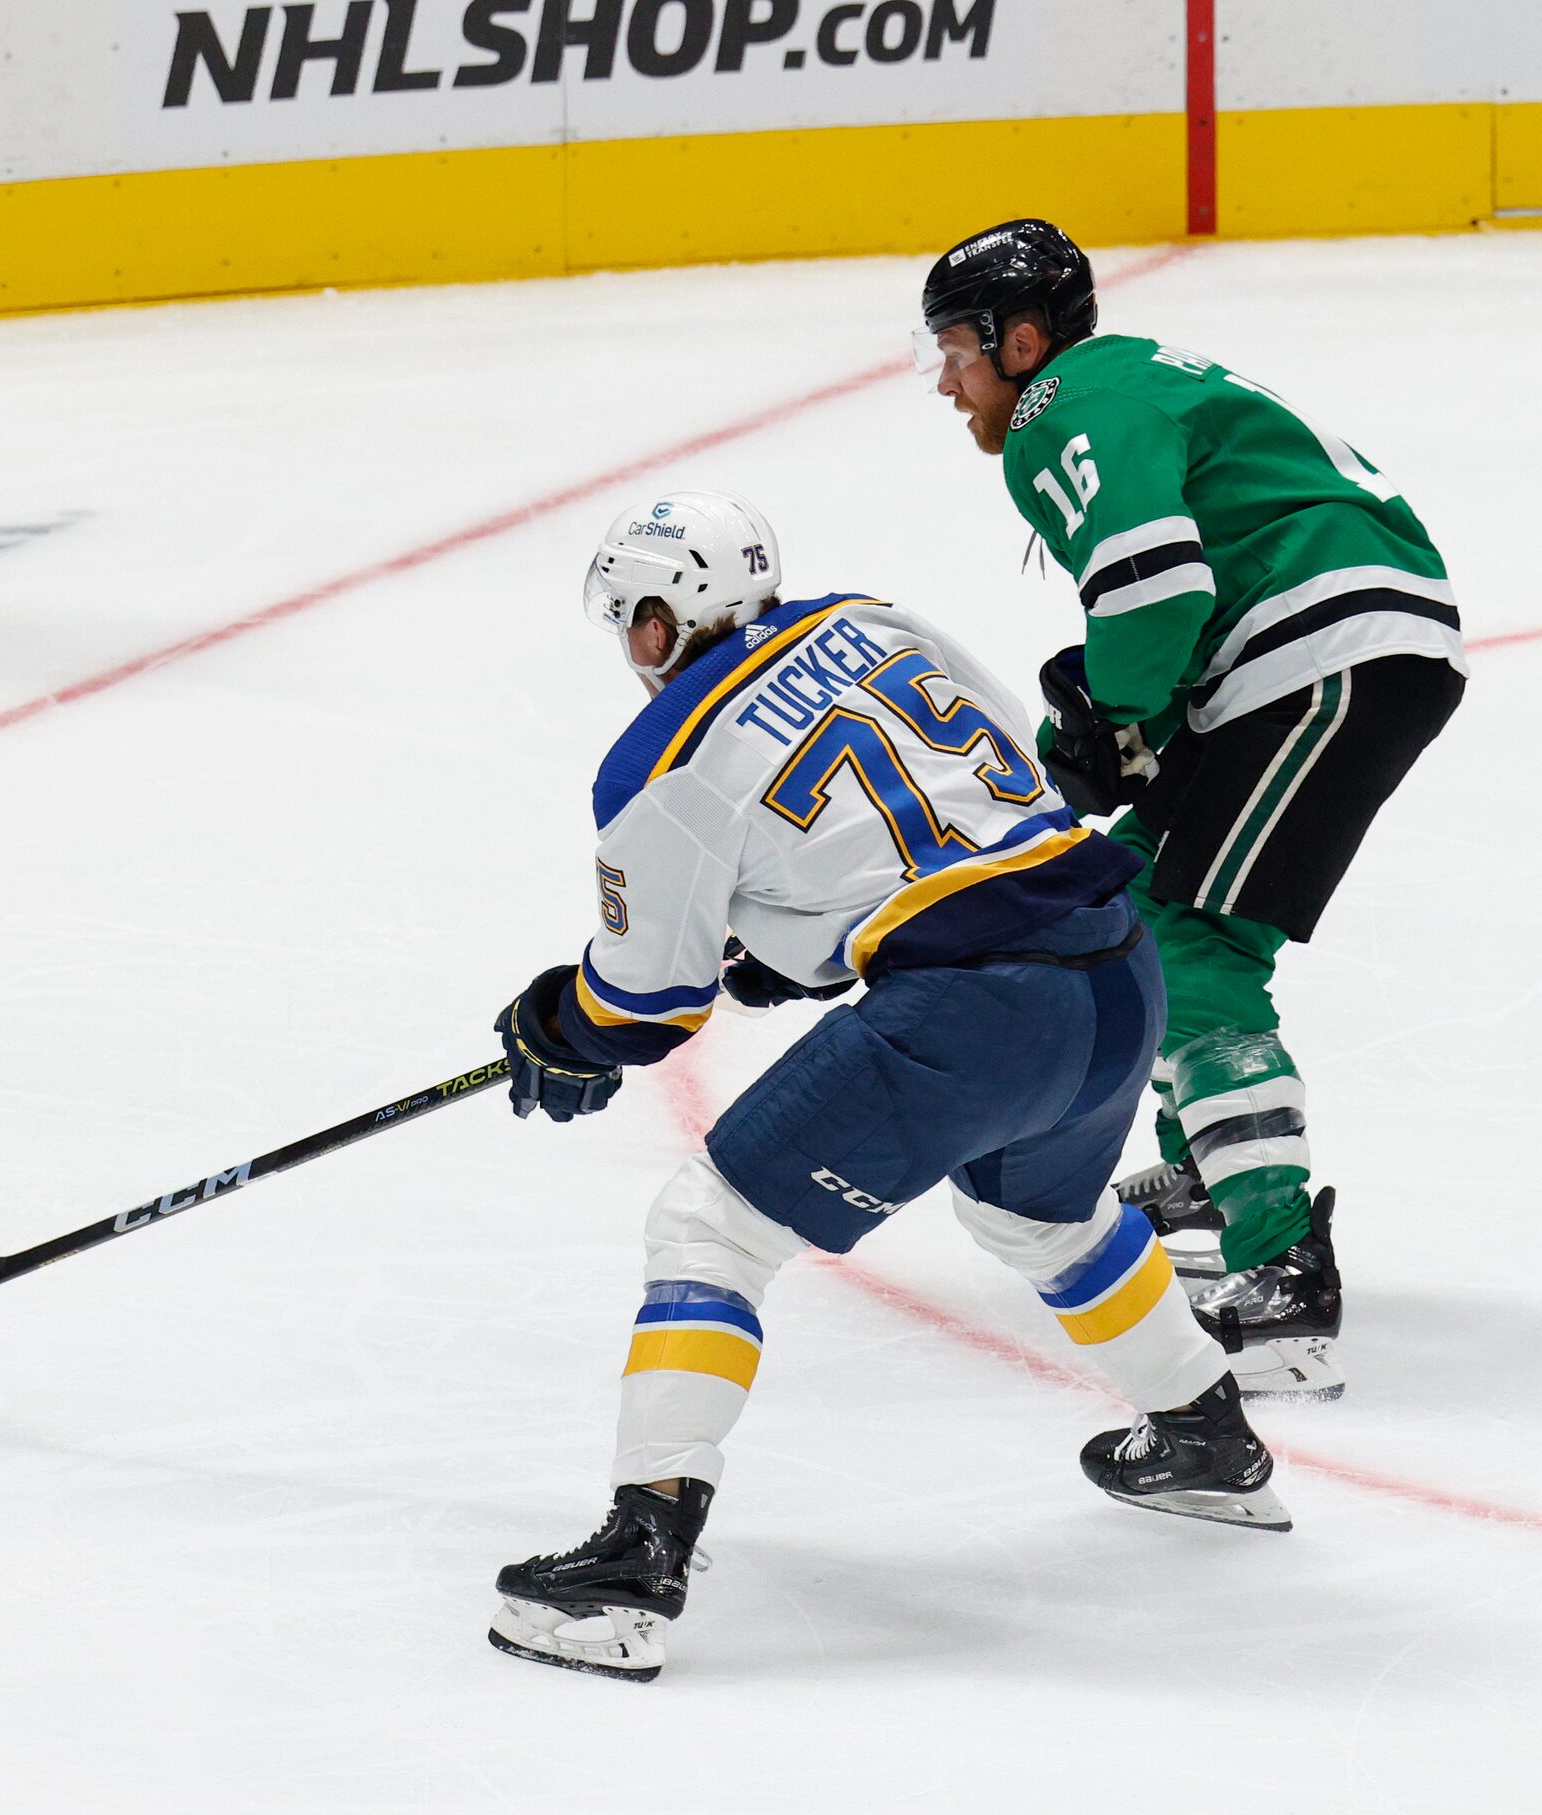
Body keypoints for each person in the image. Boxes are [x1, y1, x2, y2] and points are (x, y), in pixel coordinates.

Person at [483, 490, 1281, 1685]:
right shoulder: (877, 621)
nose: (632, 652)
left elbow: (642, 1006)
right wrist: (808, 938)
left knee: (707, 1229)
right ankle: (1205, 1430)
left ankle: (635, 1562)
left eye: (634, 622)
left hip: (976, 1010)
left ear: (667, 613)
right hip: (1115, 964)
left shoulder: (659, 762)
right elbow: (991, 792)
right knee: (1038, 1217)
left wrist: (559, 1025)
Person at [921, 220, 1468, 1401]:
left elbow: (1156, 584)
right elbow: (1194, 576)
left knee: (1190, 936)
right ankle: (1209, 1170)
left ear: (1020, 343)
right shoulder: (1129, 377)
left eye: (956, 348)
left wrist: (1108, 712)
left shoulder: (1055, 406)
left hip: (1321, 650)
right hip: (1328, 644)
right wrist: (1130, 730)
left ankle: (1278, 1267)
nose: (945, 377)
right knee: (1139, 898)